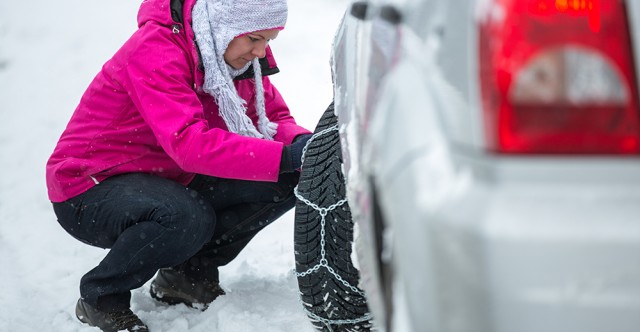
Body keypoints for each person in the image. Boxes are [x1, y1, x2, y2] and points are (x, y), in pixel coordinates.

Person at [46, 0, 312, 330]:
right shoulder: (157, 49)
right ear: (224, 25)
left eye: (268, 41)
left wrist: (307, 147)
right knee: (186, 216)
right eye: (255, 39)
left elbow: (271, 119)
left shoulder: (231, 56)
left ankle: (187, 277)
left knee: (295, 175)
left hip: (169, 177)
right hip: (91, 186)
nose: (260, 52)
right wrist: (286, 156)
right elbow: (189, 143)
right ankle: (102, 297)